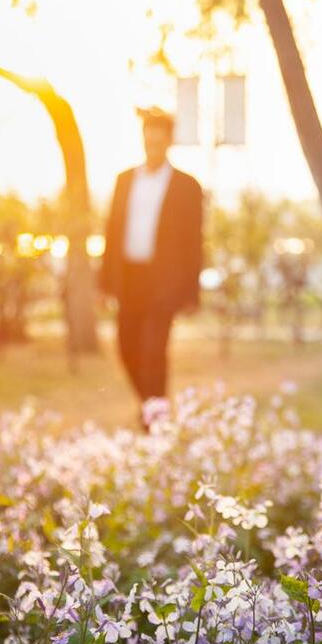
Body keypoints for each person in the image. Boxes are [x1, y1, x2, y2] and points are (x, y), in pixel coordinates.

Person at [99, 107, 204, 423]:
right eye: (147, 142)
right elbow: (112, 232)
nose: (152, 148)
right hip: (130, 278)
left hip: (164, 283)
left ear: (169, 142)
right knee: (125, 348)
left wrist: (191, 293)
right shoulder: (125, 180)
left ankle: (154, 420)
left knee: (153, 351)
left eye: (158, 142)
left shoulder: (187, 186)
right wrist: (104, 283)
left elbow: (194, 242)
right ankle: (153, 407)